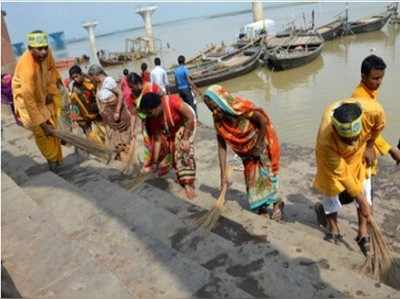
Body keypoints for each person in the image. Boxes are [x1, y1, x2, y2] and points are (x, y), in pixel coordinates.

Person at [313, 99, 385, 256]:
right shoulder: (326, 140)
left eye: (355, 137)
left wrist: (370, 145)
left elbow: (379, 124)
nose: (352, 142)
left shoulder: (372, 111)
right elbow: (342, 173)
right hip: (333, 159)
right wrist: (360, 200)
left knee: (364, 188)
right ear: (335, 130)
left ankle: (363, 232)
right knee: (331, 188)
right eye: (346, 139)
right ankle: (333, 227)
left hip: (360, 154)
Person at [203, 85, 283, 220]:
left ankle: (277, 203)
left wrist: (258, 145)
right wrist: (222, 175)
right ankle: (262, 207)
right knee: (252, 178)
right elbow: (221, 146)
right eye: (211, 109)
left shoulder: (239, 107)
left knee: (267, 174)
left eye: (215, 107)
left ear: (222, 101)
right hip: (245, 152)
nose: (215, 112)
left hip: (260, 143)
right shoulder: (218, 119)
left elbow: (262, 120)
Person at [12, 30, 63, 171]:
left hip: (43, 96)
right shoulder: (26, 67)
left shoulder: (48, 54)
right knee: (42, 132)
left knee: (53, 126)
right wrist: (42, 124)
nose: (44, 52)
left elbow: (52, 70)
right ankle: (52, 162)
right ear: (30, 49)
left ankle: (57, 159)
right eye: (39, 49)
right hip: (27, 102)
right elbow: (29, 100)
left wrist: (50, 89)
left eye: (45, 47)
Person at [137, 92, 197, 199]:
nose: (149, 116)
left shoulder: (173, 101)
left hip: (187, 123)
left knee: (182, 150)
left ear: (158, 106)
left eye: (150, 112)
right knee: (171, 150)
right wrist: (155, 162)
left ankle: (188, 183)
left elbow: (190, 117)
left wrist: (186, 138)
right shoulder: (153, 118)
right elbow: (157, 140)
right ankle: (178, 174)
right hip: (172, 128)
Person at [351, 55, 400, 165]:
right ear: (363, 77)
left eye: (381, 77)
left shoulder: (369, 90)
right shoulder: (361, 100)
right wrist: (390, 149)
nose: (379, 82)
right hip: (361, 153)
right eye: (375, 78)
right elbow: (367, 133)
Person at [88, 64, 134, 167]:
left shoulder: (108, 81)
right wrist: (101, 110)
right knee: (115, 145)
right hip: (110, 120)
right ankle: (123, 165)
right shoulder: (98, 84)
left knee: (124, 144)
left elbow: (121, 94)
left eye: (91, 77)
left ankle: (129, 165)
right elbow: (98, 97)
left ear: (95, 75)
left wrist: (117, 111)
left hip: (119, 117)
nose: (91, 79)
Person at [68, 65, 105, 144]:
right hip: (85, 118)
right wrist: (74, 119)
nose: (75, 79)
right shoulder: (74, 91)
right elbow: (74, 106)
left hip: (97, 112)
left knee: (105, 134)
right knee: (94, 140)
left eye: (76, 76)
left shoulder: (90, 81)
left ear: (81, 74)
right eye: (73, 78)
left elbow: (100, 93)